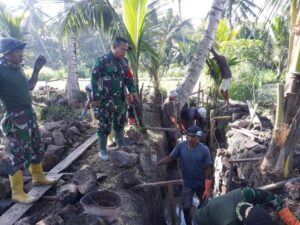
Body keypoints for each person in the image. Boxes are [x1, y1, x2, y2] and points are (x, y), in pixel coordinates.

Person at [0, 37, 56, 204]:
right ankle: (17, 192)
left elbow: (29, 87)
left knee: (37, 147)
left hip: (29, 116)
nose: (21, 54)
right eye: (17, 51)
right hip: (15, 118)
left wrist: (36, 70)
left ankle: (38, 177)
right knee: (16, 154)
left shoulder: (18, 69)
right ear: (7, 53)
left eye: (21, 50)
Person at [91, 37, 137, 161]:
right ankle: (102, 149)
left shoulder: (124, 62)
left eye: (126, 50)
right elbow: (94, 79)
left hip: (120, 99)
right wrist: (95, 97)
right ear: (114, 47)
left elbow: (128, 78)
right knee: (104, 125)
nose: (124, 52)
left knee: (120, 122)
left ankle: (121, 144)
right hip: (105, 100)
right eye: (122, 49)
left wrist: (132, 91)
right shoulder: (102, 60)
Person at [157, 126, 213, 225]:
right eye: (190, 136)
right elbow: (171, 157)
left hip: (201, 184)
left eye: (195, 137)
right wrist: (158, 163)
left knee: (204, 207)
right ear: (187, 136)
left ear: (198, 137)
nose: (192, 139)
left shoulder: (204, 150)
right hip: (188, 183)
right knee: (186, 208)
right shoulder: (180, 146)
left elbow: (208, 169)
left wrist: (207, 188)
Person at [193, 187, 300, 225]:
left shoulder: (248, 193)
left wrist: (294, 223)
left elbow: (274, 199)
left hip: (219, 208)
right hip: (202, 219)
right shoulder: (229, 222)